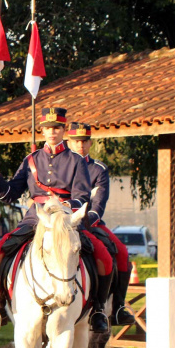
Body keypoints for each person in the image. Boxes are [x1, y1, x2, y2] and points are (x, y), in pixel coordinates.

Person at [0, 108, 113, 334]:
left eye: (57, 128)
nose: (52, 132)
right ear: (41, 131)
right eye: (47, 128)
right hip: (35, 217)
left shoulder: (76, 160)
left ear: (63, 130)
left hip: (65, 220)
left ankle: (99, 309)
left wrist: (64, 211)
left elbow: (81, 196)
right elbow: (11, 193)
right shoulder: (31, 160)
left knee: (102, 255)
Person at [66, 122, 136, 326]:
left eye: (85, 141)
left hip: (90, 223)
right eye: (76, 141)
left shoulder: (98, 169)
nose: (81, 145)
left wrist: (84, 223)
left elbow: (98, 205)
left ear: (90, 143)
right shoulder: (61, 166)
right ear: (69, 142)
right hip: (60, 223)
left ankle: (118, 308)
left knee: (121, 252)